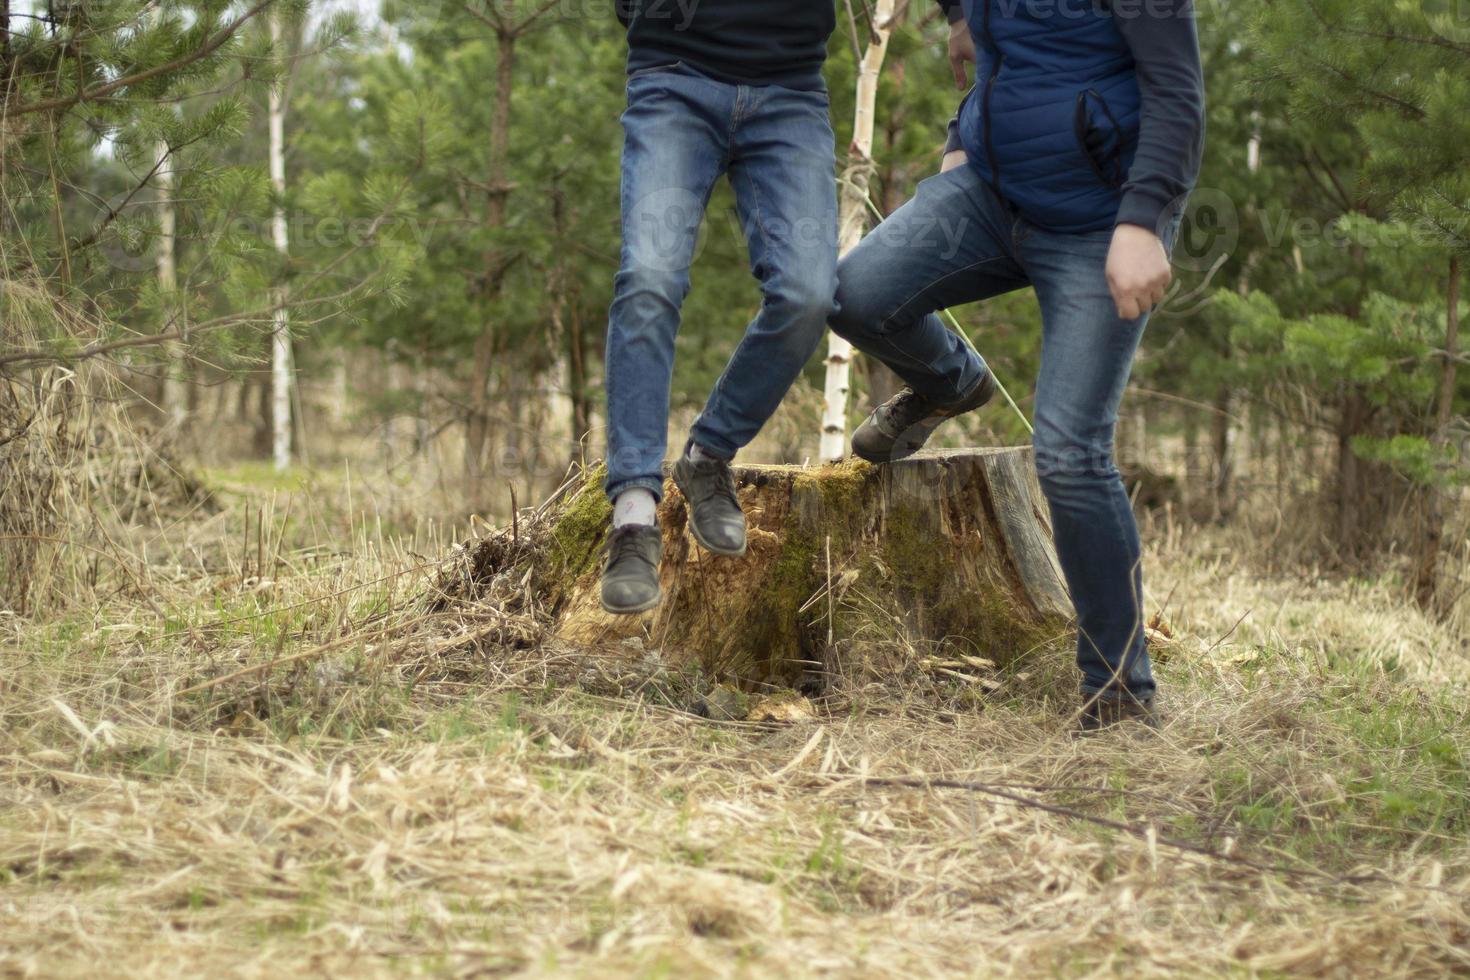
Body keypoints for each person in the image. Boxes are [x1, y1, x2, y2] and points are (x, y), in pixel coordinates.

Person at [830, 0, 1206, 730]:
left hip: (1102, 218)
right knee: (853, 296)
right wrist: (959, 46)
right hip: (991, 200)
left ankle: (1121, 695)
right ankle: (950, 382)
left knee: (1069, 453)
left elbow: (1177, 89)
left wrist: (1144, 219)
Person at [599, 0, 839, 615]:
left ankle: (707, 458)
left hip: (791, 87)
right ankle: (632, 515)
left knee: (809, 294)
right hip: (674, 77)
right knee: (650, 276)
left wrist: (957, 15)